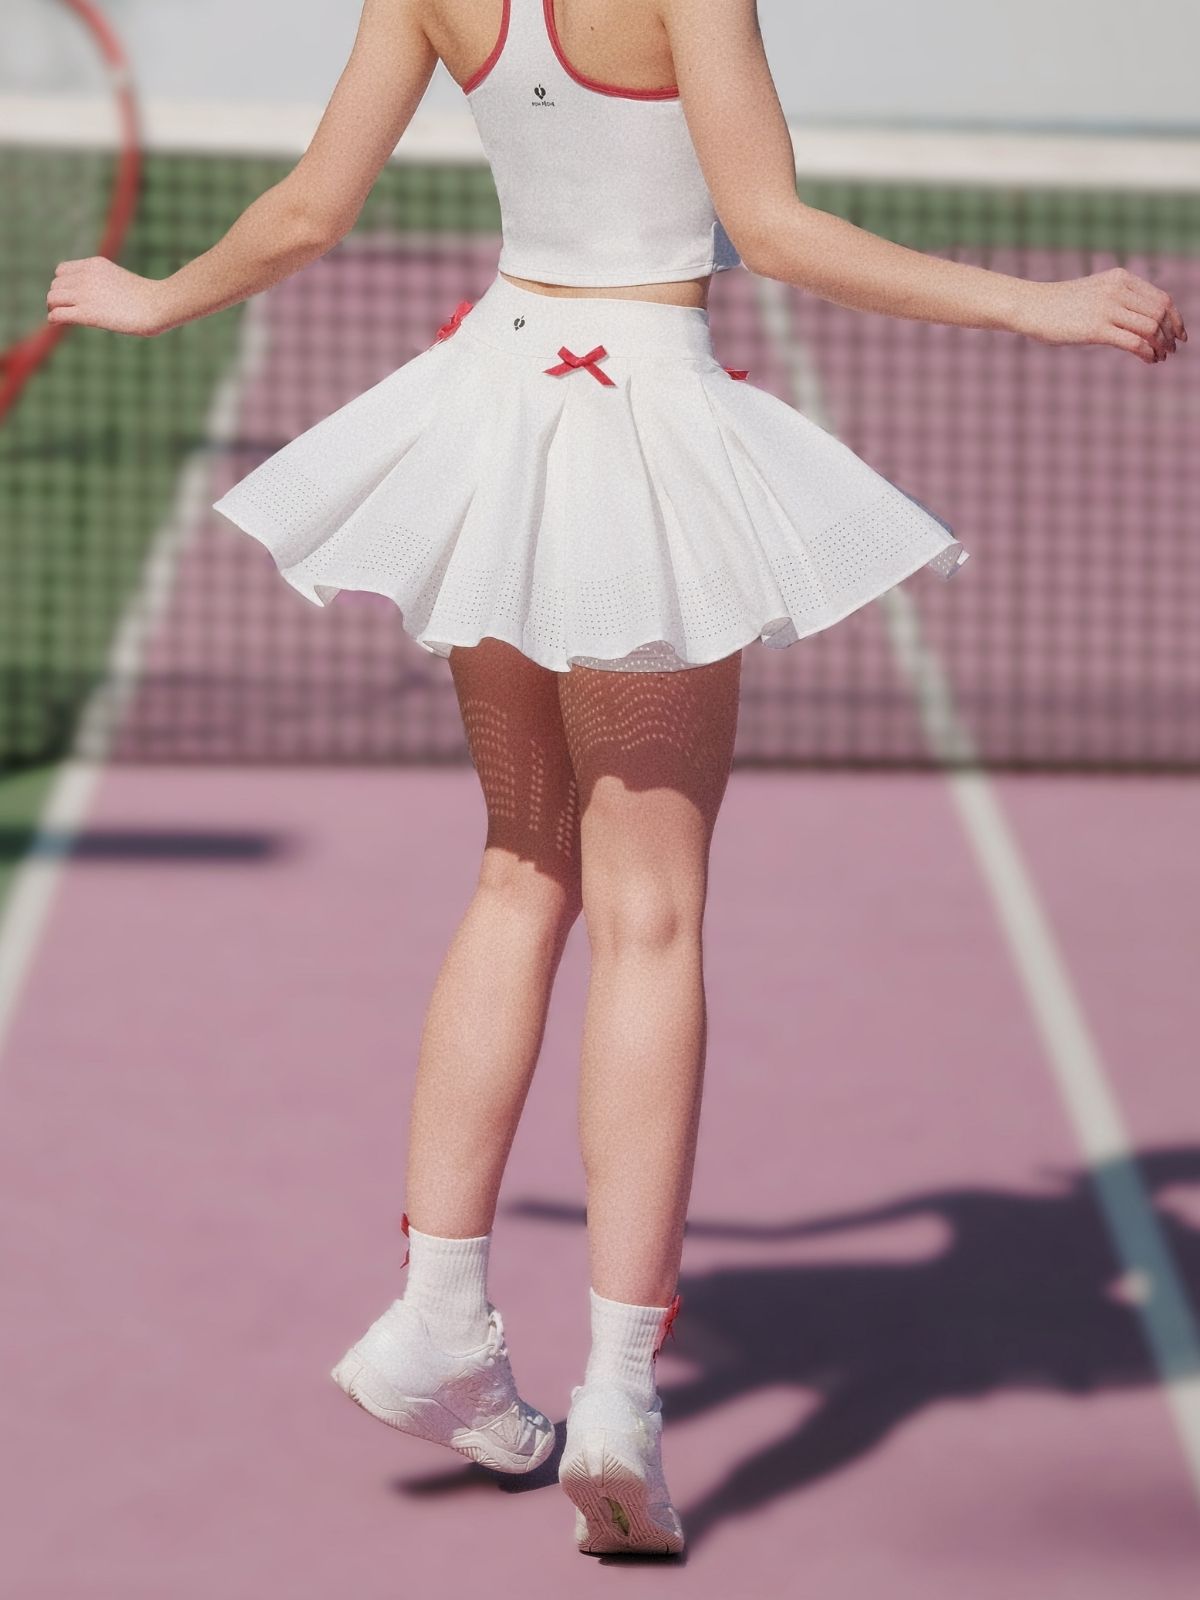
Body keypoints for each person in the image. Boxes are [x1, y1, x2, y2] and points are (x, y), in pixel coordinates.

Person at [45, 0, 1186, 1559]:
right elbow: (773, 231)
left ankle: (439, 1323)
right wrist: (1037, 307)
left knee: (523, 865)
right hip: (636, 425)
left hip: (492, 406)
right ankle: (621, 1401)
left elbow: (311, 208)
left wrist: (156, 298)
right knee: (650, 917)